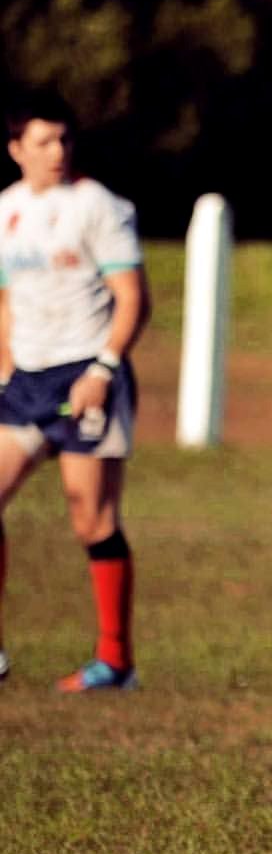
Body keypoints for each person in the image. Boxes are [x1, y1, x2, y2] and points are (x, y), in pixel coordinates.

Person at [0, 90, 150, 691]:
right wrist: (5, 362)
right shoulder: (6, 208)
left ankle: (115, 661)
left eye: (63, 139)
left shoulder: (98, 207)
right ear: (17, 150)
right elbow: (8, 299)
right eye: (43, 141)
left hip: (88, 374)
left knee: (91, 519)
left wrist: (103, 369)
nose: (57, 151)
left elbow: (133, 300)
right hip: (26, 381)